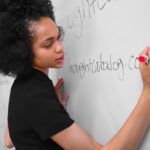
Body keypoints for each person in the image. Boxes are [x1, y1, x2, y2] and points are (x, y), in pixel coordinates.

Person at [0, 0, 150, 149]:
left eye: (58, 37)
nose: (59, 47)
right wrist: (148, 91)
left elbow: (9, 141)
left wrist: (50, 115)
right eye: (48, 44)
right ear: (23, 52)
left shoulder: (22, 84)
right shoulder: (36, 97)